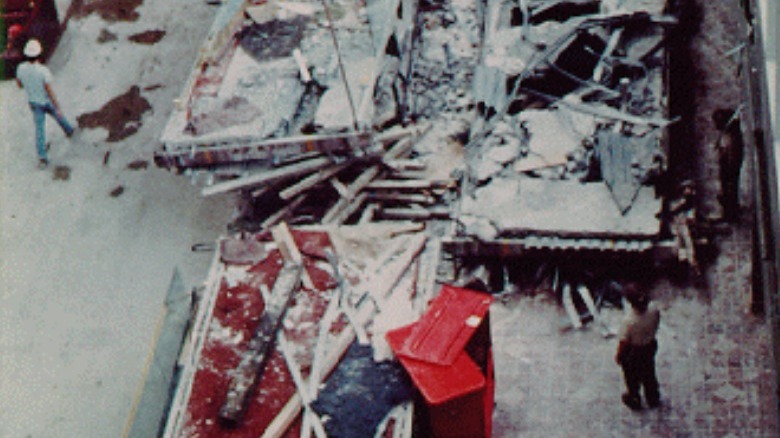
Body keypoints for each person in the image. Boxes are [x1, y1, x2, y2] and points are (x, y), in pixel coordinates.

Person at [15, 39, 75, 169]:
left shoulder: (21, 68)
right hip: (46, 101)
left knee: (40, 130)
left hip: (34, 103)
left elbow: (19, 85)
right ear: (39, 54)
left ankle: (42, 158)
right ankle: (69, 131)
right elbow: (49, 90)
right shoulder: (43, 70)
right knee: (58, 116)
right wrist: (57, 105)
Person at [615, 285, 661, 411]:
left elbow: (624, 342)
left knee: (631, 376)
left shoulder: (629, 321)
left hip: (635, 351)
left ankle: (634, 397)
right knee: (649, 372)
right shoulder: (653, 309)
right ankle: (653, 397)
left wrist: (619, 355)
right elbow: (657, 322)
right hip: (649, 345)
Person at [713, 108, 744, 223]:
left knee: (730, 189)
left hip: (729, 168)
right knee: (729, 189)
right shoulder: (730, 133)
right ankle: (731, 211)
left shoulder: (732, 138)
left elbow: (732, 156)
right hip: (728, 165)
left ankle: (730, 214)